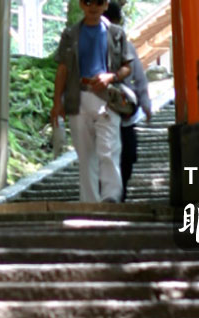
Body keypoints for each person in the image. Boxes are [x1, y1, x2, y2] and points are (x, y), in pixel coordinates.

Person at [50, 0, 137, 203]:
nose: (93, 6)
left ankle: (111, 197)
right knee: (86, 154)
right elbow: (62, 69)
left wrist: (110, 76)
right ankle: (89, 202)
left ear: (106, 5)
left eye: (98, 2)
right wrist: (57, 103)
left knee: (109, 148)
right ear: (81, 4)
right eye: (88, 1)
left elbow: (127, 67)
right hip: (77, 96)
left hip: (106, 96)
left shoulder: (116, 33)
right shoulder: (70, 34)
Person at [103, 3, 153, 203]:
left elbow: (138, 76)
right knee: (121, 154)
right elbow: (139, 78)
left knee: (122, 153)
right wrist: (146, 104)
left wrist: (145, 104)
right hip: (114, 109)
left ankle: (115, 194)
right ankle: (113, 194)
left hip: (119, 108)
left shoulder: (123, 44)